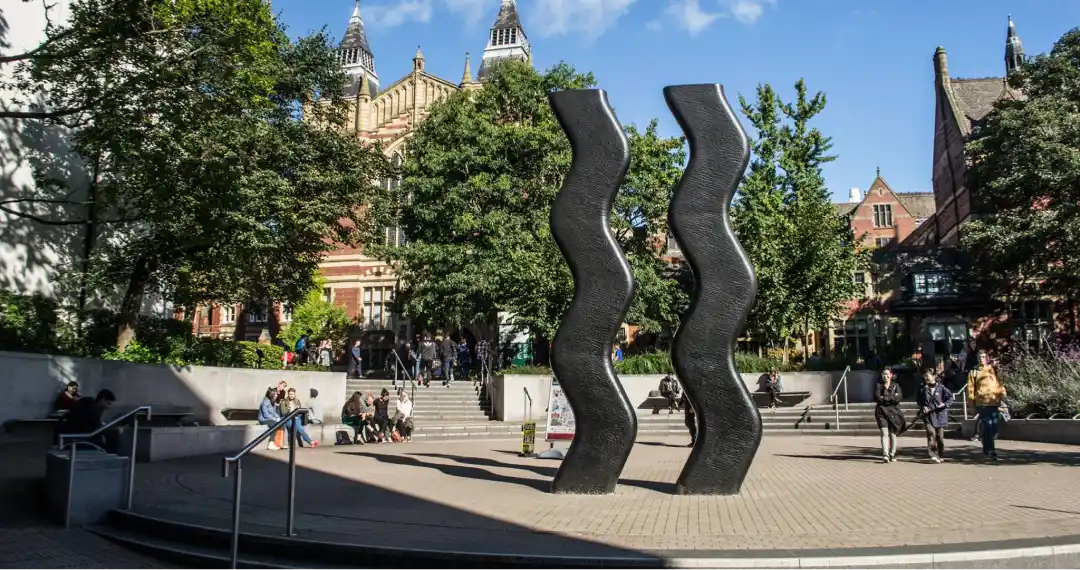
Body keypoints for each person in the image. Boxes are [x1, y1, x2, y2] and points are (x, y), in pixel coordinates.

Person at [967, 350, 1006, 460]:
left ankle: (986, 444)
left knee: (994, 427)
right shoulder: (973, 372)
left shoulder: (993, 370)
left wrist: (1003, 395)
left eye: (983, 357)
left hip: (994, 402)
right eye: (979, 357)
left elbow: (999, 384)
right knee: (988, 425)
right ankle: (991, 451)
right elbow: (970, 389)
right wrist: (972, 405)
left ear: (987, 358)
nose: (981, 358)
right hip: (981, 403)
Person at [917, 369, 954, 463]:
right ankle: (933, 455)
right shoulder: (922, 388)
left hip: (939, 415)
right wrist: (923, 406)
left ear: (934, 376)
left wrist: (944, 404)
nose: (926, 378)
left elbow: (950, 398)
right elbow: (919, 399)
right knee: (931, 434)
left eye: (927, 376)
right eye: (924, 376)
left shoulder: (941, 388)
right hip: (928, 415)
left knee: (939, 437)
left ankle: (940, 454)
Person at [874, 368, 906, 463]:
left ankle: (892, 454)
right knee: (884, 433)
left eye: (887, 374)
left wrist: (885, 398)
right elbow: (877, 398)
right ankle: (885, 454)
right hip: (881, 412)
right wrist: (891, 398)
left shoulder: (896, 386)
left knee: (893, 433)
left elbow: (899, 398)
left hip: (893, 412)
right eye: (883, 374)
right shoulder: (878, 386)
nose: (885, 376)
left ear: (891, 375)